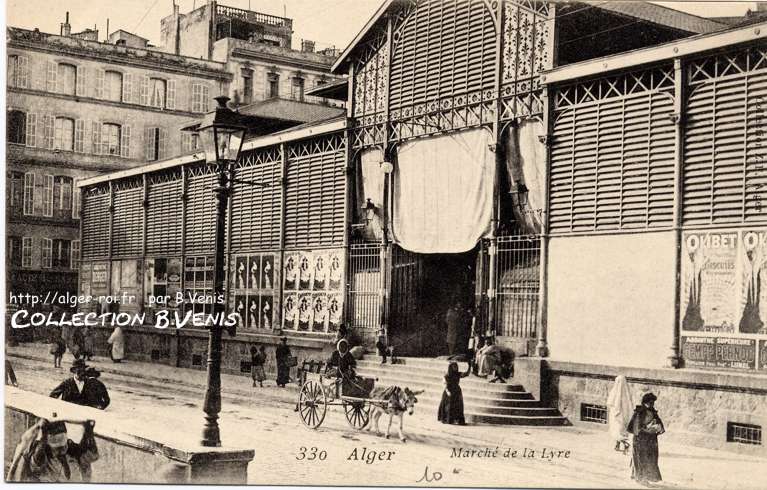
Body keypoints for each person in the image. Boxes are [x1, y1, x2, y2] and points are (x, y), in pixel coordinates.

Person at [7, 418, 99, 482]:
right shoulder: (43, 456)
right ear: (49, 446)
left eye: (63, 446)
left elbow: (91, 455)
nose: (61, 450)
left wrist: (89, 431)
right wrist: (43, 436)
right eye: (57, 448)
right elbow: (36, 461)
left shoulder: (71, 450)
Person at [627, 392, 665, 485]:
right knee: (641, 458)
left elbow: (660, 424)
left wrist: (658, 427)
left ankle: (644, 476)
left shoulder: (653, 412)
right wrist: (647, 429)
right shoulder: (639, 412)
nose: (652, 405)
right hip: (640, 440)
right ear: (644, 402)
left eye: (653, 403)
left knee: (650, 458)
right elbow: (636, 428)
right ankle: (640, 478)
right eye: (650, 403)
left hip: (650, 440)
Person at [607, 375, 633, 453]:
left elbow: (610, 402)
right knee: (619, 430)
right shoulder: (627, 393)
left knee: (617, 430)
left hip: (617, 416)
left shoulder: (615, 391)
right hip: (622, 415)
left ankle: (625, 444)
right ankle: (617, 444)